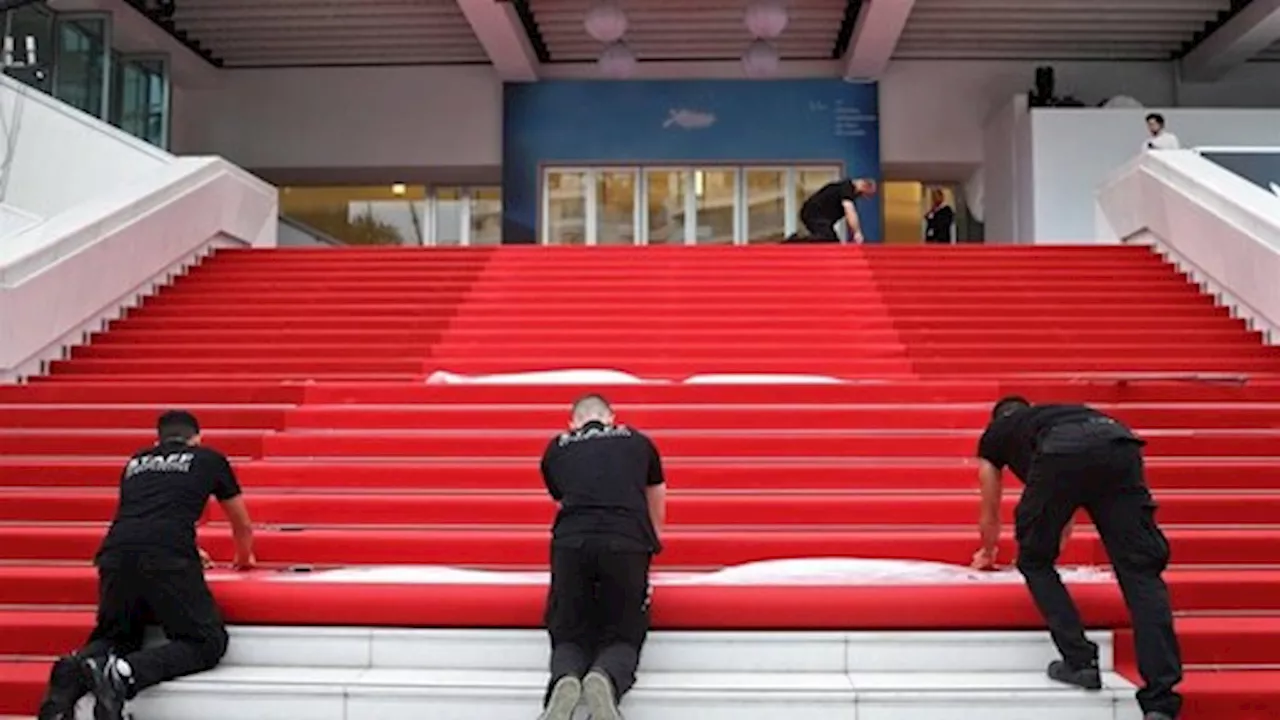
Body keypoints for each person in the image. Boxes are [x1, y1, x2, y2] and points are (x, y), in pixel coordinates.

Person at [971, 397, 1182, 720]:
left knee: (1034, 561)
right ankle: (1160, 701)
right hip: (1118, 443)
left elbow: (991, 502)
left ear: (996, 420)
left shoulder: (997, 434)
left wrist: (988, 551)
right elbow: (1060, 504)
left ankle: (1080, 660)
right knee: (1140, 571)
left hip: (1062, 454)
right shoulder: (1051, 417)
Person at [38, 410, 256, 720]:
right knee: (206, 642)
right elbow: (242, 525)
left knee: (118, 636)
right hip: (166, 557)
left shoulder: (136, 462)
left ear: (158, 440)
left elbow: (146, 513)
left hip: (116, 552)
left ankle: (74, 668)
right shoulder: (208, 458)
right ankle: (124, 674)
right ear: (198, 438)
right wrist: (244, 558)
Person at [538, 394, 667, 720]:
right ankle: (606, 677)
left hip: (571, 542)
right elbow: (656, 495)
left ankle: (565, 679)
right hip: (625, 540)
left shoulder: (557, 447)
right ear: (612, 417)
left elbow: (564, 497)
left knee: (569, 630)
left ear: (573, 423)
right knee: (623, 632)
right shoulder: (638, 442)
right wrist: (651, 541)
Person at [792, 177, 877, 243]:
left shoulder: (843, 188)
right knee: (827, 238)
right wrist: (857, 233)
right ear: (864, 186)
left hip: (817, 215)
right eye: (866, 195)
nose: (864, 198)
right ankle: (794, 242)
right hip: (813, 214)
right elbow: (850, 211)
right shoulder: (847, 188)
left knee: (832, 241)